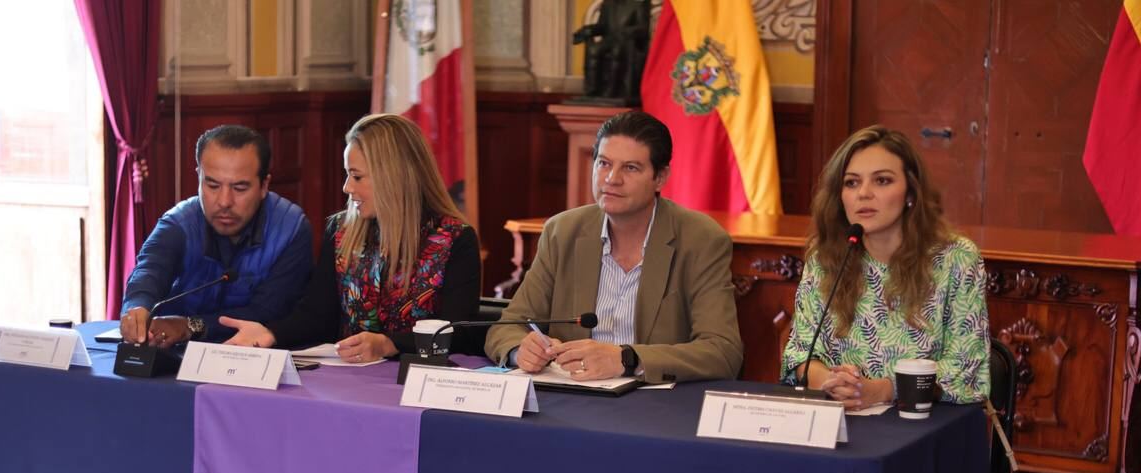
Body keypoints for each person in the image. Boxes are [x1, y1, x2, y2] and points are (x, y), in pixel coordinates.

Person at [485, 111, 742, 384]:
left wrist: (626, 359)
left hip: (654, 405)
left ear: (660, 177)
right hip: (571, 396)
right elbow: (506, 327)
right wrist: (519, 349)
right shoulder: (562, 232)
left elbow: (723, 352)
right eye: (604, 163)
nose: (612, 179)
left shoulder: (700, 240)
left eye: (630, 168)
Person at [221, 114, 480, 361]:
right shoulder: (340, 230)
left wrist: (389, 344)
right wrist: (270, 334)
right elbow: (317, 316)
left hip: (418, 384)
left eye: (356, 176)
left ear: (393, 177)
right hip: (348, 380)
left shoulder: (454, 239)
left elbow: (459, 334)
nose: (347, 187)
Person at [781, 125, 991, 408]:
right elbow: (800, 354)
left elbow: (967, 371)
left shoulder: (955, 259)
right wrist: (831, 382)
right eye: (852, 183)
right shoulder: (826, 257)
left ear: (910, 192)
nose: (864, 194)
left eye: (881, 181)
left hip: (923, 425)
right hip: (842, 417)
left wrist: (882, 390)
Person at [119, 125, 313, 347]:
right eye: (212, 185)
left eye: (239, 188)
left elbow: (266, 312)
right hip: (174, 356)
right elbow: (149, 271)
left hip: (255, 360)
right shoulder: (178, 224)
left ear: (264, 186)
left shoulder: (291, 229)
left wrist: (188, 326)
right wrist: (137, 308)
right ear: (199, 178)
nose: (224, 202)